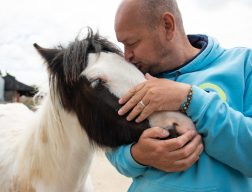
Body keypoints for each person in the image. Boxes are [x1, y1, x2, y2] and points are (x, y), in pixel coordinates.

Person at [106, 0, 252, 191]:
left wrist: (189, 98)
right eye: (123, 45)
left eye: (132, 43)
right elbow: (112, 147)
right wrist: (137, 155)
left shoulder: (242, 65)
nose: (127, 56)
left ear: (167, 25)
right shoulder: (133, 79)